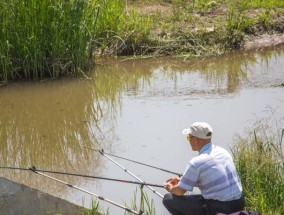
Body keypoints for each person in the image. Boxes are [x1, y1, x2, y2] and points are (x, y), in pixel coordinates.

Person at [163, 122, 245, 215]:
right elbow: (212, 179)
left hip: (220, 208)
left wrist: (171, 188)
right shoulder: (223, 152)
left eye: (189, 137)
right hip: (239, 203)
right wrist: (182, 180)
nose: (188, 140)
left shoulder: (196, 162)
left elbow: (179, 192)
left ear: (196, 140)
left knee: (168, 199)